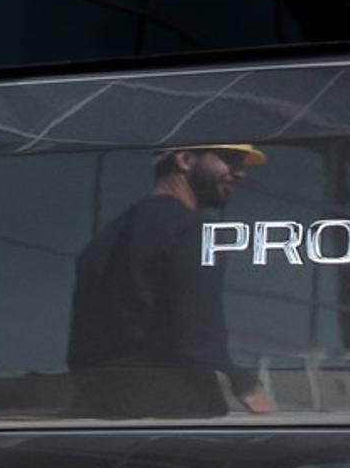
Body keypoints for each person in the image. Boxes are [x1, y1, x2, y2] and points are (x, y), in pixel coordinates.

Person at [66, 143, 276, 418]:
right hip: (177, 412)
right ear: (185, 160)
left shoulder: (101, 242)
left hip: (102, 411)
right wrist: (246, 386)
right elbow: (199, 336)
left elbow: (81, 347)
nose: (240, 173)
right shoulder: (193, 231)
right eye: (229, 159)